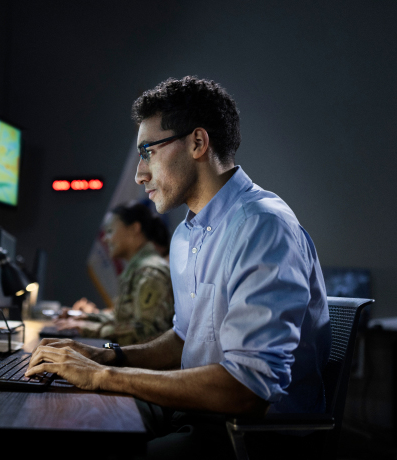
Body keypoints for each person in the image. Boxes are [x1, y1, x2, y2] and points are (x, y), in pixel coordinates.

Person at [26, 76, 330, 458]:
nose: (140, 174)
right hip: (197, 412)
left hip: (251, 436)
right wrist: (107, 356)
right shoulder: (187, 234)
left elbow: (248, 390)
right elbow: (185, 339)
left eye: (148, 151)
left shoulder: (262, 225)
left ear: (198, 143)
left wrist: (103, 376)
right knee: (59, 421)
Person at [56, 202, 175, 346]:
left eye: (110, 231)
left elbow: (149, 332)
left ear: (134, 229)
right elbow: (124, 318)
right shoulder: (139, 268)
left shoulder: (149, 272)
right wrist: (84, 318)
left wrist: (92, 329)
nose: (105, 239)